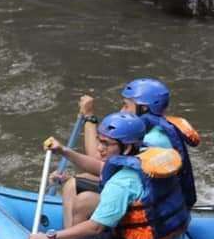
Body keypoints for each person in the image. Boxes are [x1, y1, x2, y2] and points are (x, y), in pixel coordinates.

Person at [29, 112, 190, 239]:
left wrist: (50, 237)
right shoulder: (149, 160)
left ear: (126, 147)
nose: (99, 148)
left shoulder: (122, 182)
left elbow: (95, 227)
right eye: (99, 140)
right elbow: (102, 168)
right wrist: (63, 151)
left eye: (106, 143)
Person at [54, 79, 200, 228]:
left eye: (126, 105)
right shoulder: (158, 128)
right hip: (157, 194)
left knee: (74, 187)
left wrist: (90, 117)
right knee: (79, 178)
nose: (122, 110)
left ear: (143, 109)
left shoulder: (152, 140)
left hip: (154, 208)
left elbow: (99, 160)